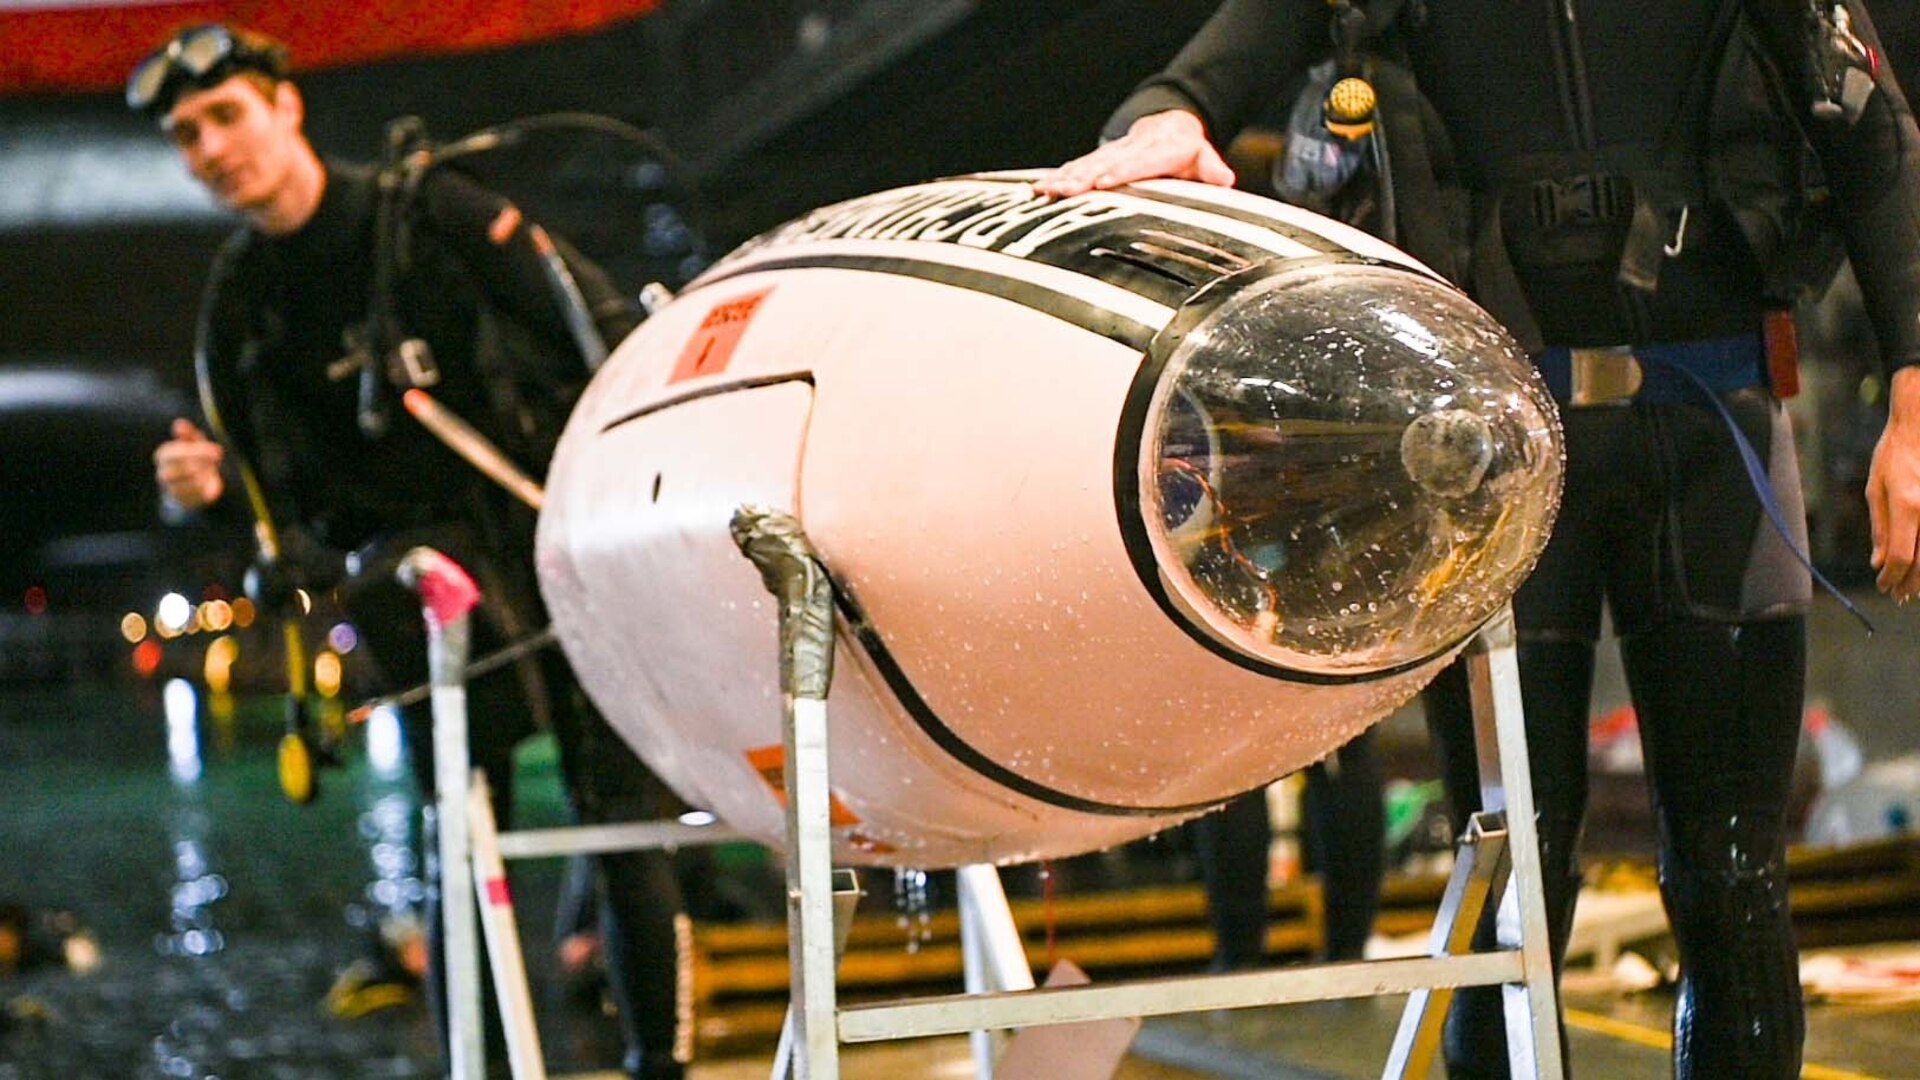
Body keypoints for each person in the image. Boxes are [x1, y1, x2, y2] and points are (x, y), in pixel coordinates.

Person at [1036, 2, 1920, 1077]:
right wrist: (1164, 117)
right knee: (1514, 886)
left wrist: (1914, 406)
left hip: (1712, 426)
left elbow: (1874, 135)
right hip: (1480, 458)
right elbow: (1207, 73)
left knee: (1734, 876)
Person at [133, 25, 690, 1079]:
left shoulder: (434, 215)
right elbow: (264, 508)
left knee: (624, 822)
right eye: (185, 135)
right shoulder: (242, 309)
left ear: (286, 107)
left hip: (564, 539)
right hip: (427, 588)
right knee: (455, 833)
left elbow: (605, 331)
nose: (209, 149)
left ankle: (661, 1065)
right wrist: (204, 496)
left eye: (225, 116)